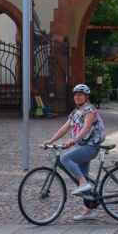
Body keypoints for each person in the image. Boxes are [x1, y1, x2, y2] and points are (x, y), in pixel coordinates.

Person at [43, 83, 104, 222]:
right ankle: (89, 210)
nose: (77, 97)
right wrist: (51, 140)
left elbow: (87, 127)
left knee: (65, 159)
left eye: (80, 94)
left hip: (90, 147)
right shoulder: (75, 113)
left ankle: (83, 183)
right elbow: (64, 128)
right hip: (82, 147)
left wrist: (74, 139)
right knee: (83, 178)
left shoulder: (90, 110)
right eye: (75, 94)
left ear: (86, 97)